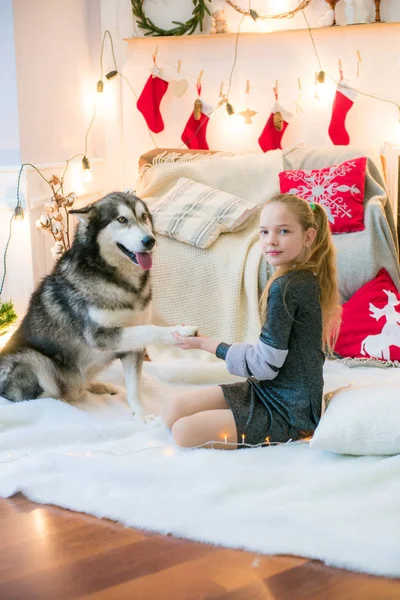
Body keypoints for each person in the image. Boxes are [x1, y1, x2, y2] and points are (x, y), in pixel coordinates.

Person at [162, 193, 341, 450]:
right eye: (264, 232)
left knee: (182, 431)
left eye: (284, 231)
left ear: (309, 236)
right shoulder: (296, 278)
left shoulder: (288, 286)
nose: (271, 241)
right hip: (268, 389)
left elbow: (265, 365)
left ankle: (290, 428)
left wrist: (206, 345)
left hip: (291, 412)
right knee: (174, 409)